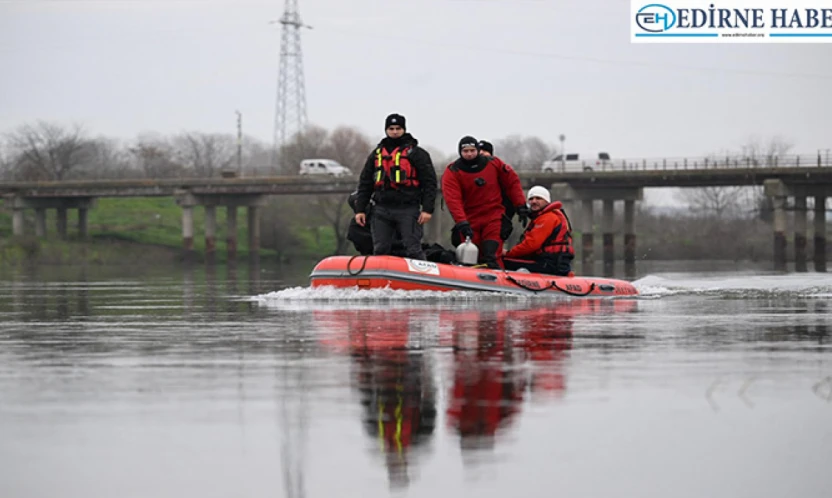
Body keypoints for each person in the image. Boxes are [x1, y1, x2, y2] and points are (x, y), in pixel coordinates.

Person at [353, 114, 437, 260]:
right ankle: (380, 280)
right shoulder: (377, 154)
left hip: (408, 208)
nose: (395, 132)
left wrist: (427, 209)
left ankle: (422, 279)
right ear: (386, 130)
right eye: (391, 128)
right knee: (380, 249)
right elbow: (365, 183)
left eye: (398, 128)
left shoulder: (417, 153)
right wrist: (360, 209)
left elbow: (429, 182)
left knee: (413, 249)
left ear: (404, 129)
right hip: (381, 208)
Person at [442, 136, 528, 268]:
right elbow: (453, 199)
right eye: (466, 151)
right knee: (471, 255)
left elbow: (512, 183)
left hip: (493, 217)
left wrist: (520, 205)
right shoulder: (453, 171)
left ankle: (498, 280)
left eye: (472, 150)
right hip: (470, 218)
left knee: (491, 252)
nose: (469, 154)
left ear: (477, 150)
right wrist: (462, 222)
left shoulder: (494, 164)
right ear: (460, 152)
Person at [503, 185, 575, 276]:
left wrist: (509, 253)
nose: (534, 201)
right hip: (549, 261)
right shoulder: (542, 217)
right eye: (531, 199)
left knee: (503, 261)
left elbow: (531, 244)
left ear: (546, 201)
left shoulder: (548, 218)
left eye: (538, 198)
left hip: (549, 264)